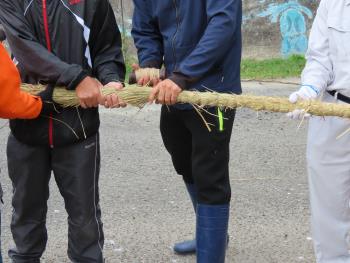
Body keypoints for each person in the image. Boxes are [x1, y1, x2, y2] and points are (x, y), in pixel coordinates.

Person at [0, 0, 125, 262]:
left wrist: (111, 78)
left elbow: (106, 47)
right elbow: (23, 46)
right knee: (25, 213)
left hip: (78, 127)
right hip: (26, 126)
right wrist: (76, 77)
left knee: (85, 219)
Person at [131, 1, 242, 262]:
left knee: (210, 175)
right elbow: (145, 27)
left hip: (214, 90)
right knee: (184, 160)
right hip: (172, 89)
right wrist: (149, 62)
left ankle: (210, 253)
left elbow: (223, 25)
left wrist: (183, 76)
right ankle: (212, 235)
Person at [288, 0, 350, 262]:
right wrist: (309, 90)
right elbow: (319, 59)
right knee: (329, 206)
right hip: (333, 111)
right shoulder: (333, 3)